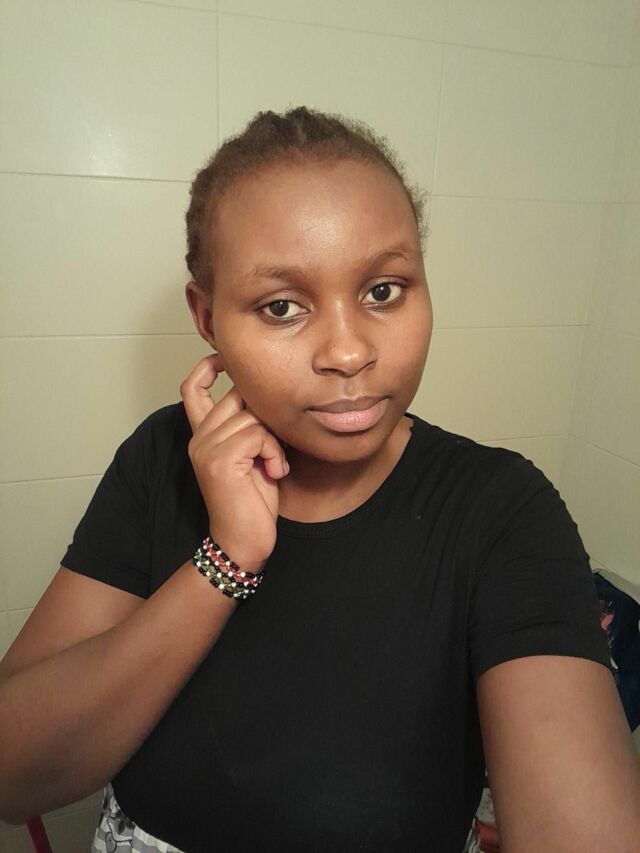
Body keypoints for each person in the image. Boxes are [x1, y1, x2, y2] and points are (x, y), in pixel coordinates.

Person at [0, 107, 622, 851]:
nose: (349, 352)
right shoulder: (162, 459)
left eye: (383, 290)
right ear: (208, 318)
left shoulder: (499, 510)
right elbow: (11, 775)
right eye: (282, 307)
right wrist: (225, 559)